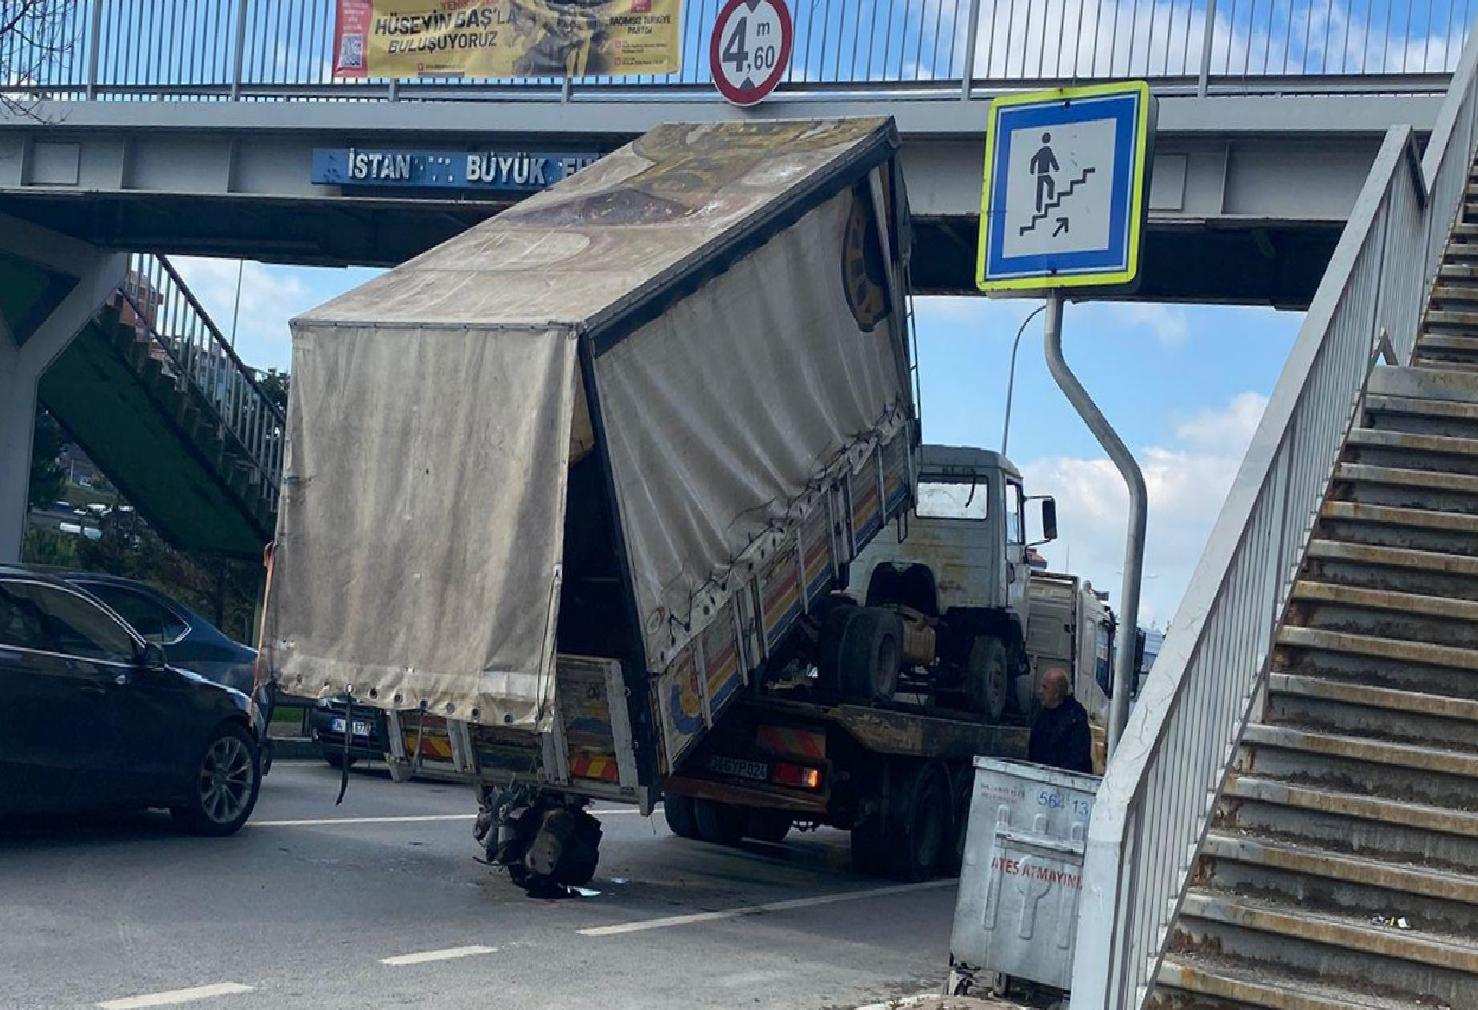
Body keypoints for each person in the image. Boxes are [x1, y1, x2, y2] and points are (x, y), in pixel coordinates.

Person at [1028, 666, 1094, 774]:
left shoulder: (1075, 721)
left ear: (1056, 693)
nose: (1040, 691)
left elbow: (1076, 761)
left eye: (1045, 687)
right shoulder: (1042, 715)